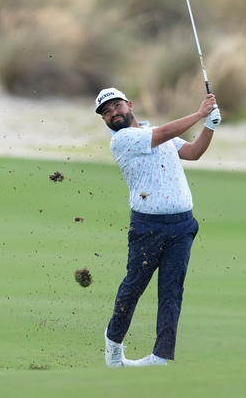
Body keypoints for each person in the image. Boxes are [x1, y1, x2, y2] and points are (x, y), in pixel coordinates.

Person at [94, 86, 221, 368]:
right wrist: (201, 113)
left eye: (116, 106)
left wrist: (210, 126)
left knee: (171, 292)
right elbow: (163, 134)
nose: (113, 113)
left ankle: (160, 357)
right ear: (104, 120)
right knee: (133, 287)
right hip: (147, 227)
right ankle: (113, 345)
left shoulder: (156, 133)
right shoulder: (124, 140)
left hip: (182, 226)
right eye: (106, 112)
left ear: (128, 104)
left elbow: (193, 152)